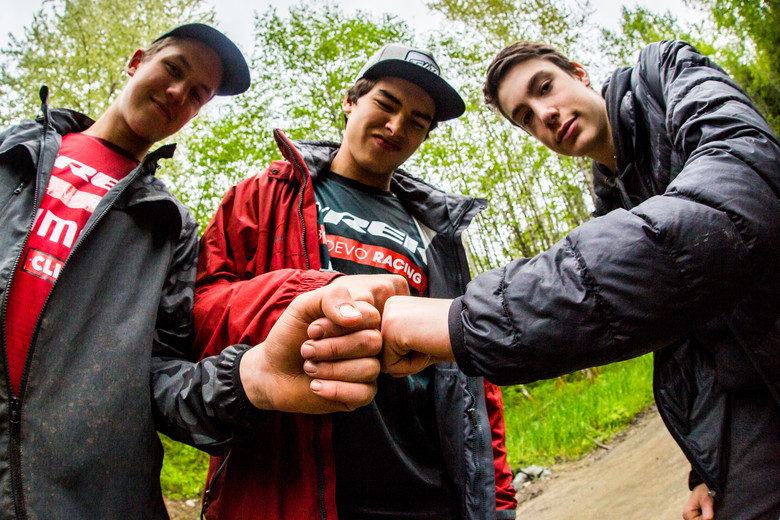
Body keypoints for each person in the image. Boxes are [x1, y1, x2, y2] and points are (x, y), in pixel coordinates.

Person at [371, 40, 780, 519]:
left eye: (545, 88)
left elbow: (738, 199)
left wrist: (462, 319)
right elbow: (686, 347)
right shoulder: (612, 208)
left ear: (580, 74)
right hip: (751, 406)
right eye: (524, 116)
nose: (543, 114)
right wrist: (706, 471)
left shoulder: (664, 74)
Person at [0, 23, 393, 519]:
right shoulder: (11, 158)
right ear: (137, 61)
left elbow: (162, 379)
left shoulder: (170, 227)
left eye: (198, 94)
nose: (178, 93)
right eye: (173, 70)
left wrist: (251, 379)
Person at [193, 43, 517, 519]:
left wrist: (499, 503)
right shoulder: (265, 196)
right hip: (290, 486)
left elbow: (470, 379)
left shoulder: (438, 235)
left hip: (427, 493)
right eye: (386, 105)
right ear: (350, 101)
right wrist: (309, 293)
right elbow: (199, 315)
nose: (396, 126)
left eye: (417, 121)